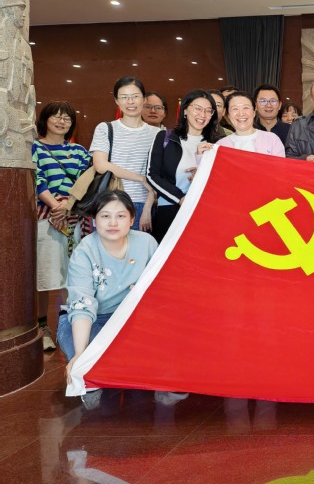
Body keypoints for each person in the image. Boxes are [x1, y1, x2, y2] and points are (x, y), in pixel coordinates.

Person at [57, 190, 159, 409]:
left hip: (132, 320)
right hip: (92, 320)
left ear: (131, 219)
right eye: (105, 216)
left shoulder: (147, 243)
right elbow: (82, 305)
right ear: (94, 221)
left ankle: (153, 379)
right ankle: (92, 381)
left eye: (121, 216)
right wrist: (81, 355)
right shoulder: (85, 251)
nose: (113, 223)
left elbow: (160, 290)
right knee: (89, 356)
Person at [32, 101, 92, 351]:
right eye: (56, 116)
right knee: (44, 276)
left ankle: (67, 327)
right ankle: (42, 328)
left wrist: (68, 204)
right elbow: (37, 179)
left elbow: (87, 180)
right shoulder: (34, 147)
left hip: (73, 219)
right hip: (45, 219)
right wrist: (55, 205)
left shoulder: (79, 151)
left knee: (72, 276)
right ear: (44, 120)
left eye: (66, 118)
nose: (61, 121)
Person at [146, 90, 218, 243]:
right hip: (169, 210)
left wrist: (201, 173)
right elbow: (152, 175)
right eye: (197, 108)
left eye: (208, 111)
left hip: (203, 212)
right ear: (185, 110)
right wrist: (180, 198)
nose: (202, 114)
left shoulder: (216, 144)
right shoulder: (165, 137)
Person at [90, 76, 159, 231]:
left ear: (144, 99)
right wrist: (140, 178)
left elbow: (158, 175)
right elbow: (100, 165)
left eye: (135, 96)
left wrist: (148, 207)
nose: (130, 102)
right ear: (117, 101)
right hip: (109, 203)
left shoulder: (157, 133)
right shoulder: (105, 128)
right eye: (124, 97)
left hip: (142, 204)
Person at [217, 92, 285, 156]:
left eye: (246, 108)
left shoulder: (272, 139)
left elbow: (279, 164)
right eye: (235, 109)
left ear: (254, 112)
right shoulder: (221, 145)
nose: (241, 113)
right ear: (228, 115)